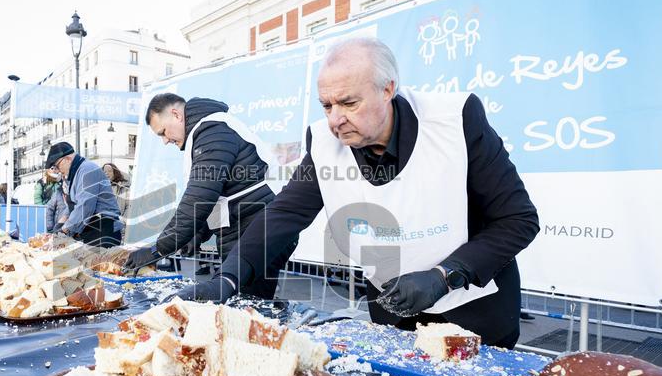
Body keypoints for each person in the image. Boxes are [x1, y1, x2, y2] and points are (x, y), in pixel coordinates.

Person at [184, 37, 540, 349]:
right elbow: (282, 216)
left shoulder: (454, 121)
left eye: (348, 103)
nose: (335, 119)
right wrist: (227, 278)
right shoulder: (325, 143)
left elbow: (517, 219)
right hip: (393, 315)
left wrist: (444, 275)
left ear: (388, 89)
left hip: (474, 315)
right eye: (326, 105)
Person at [122, 94, 294, 298]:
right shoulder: (207, 132)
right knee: (246, 303)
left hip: (258, 227)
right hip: (251, 226)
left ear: (176, 115)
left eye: (163, 132)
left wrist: (158, 250)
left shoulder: (212, 130)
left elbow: (199, 196)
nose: (165, 141)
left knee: (247, 305)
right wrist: (199, 233)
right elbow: (220, 194)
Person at [43, 142, 123, 247]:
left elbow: (85, 206)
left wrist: (64, 231)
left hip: (103, 231)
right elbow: (73, 205)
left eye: (57, 166)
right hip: (91, 229)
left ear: (67, 159)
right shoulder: (76, 173)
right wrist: (59, 225)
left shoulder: (87, 170)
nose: (58, 170)